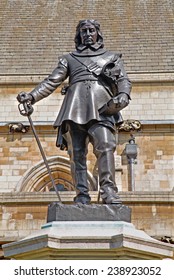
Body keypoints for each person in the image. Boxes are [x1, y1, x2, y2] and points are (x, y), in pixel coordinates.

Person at [17, 19, 132, 204]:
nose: (87, 34)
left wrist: (124, 95)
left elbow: (123, 80)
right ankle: (82, 195)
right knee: (77, 153)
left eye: (91, 30)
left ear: (97, 33)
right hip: (74, 109)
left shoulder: (111, 58)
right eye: (83, 31)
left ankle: (108, 192)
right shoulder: (69, 59)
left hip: (102, 108)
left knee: (105, 146)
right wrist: (31, 96)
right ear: (79, 35)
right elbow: (51, 82)